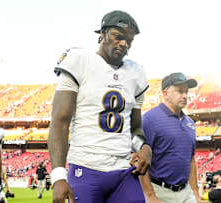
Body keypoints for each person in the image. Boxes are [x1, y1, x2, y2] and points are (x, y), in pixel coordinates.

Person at [48, 10, 152, 203]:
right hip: (86, 168)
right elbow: (59, 122)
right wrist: (59, 176)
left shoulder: (136, 73)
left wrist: (143, 146)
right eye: (118, 37)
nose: (124, 44)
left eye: (129, 40)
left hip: (123, 170)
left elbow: (135, 127)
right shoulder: (79, 60)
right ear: (102, 34)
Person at [140, 72, 200, 203]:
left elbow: (191, 159)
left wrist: (195, 193)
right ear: (165, 93)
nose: (184, 96)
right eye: (179, 91)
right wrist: (150, 195)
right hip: (160, 191)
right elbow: (139, 159)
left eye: (186, 91)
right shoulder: (150, 119)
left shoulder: (189, 122)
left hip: (186, 192)